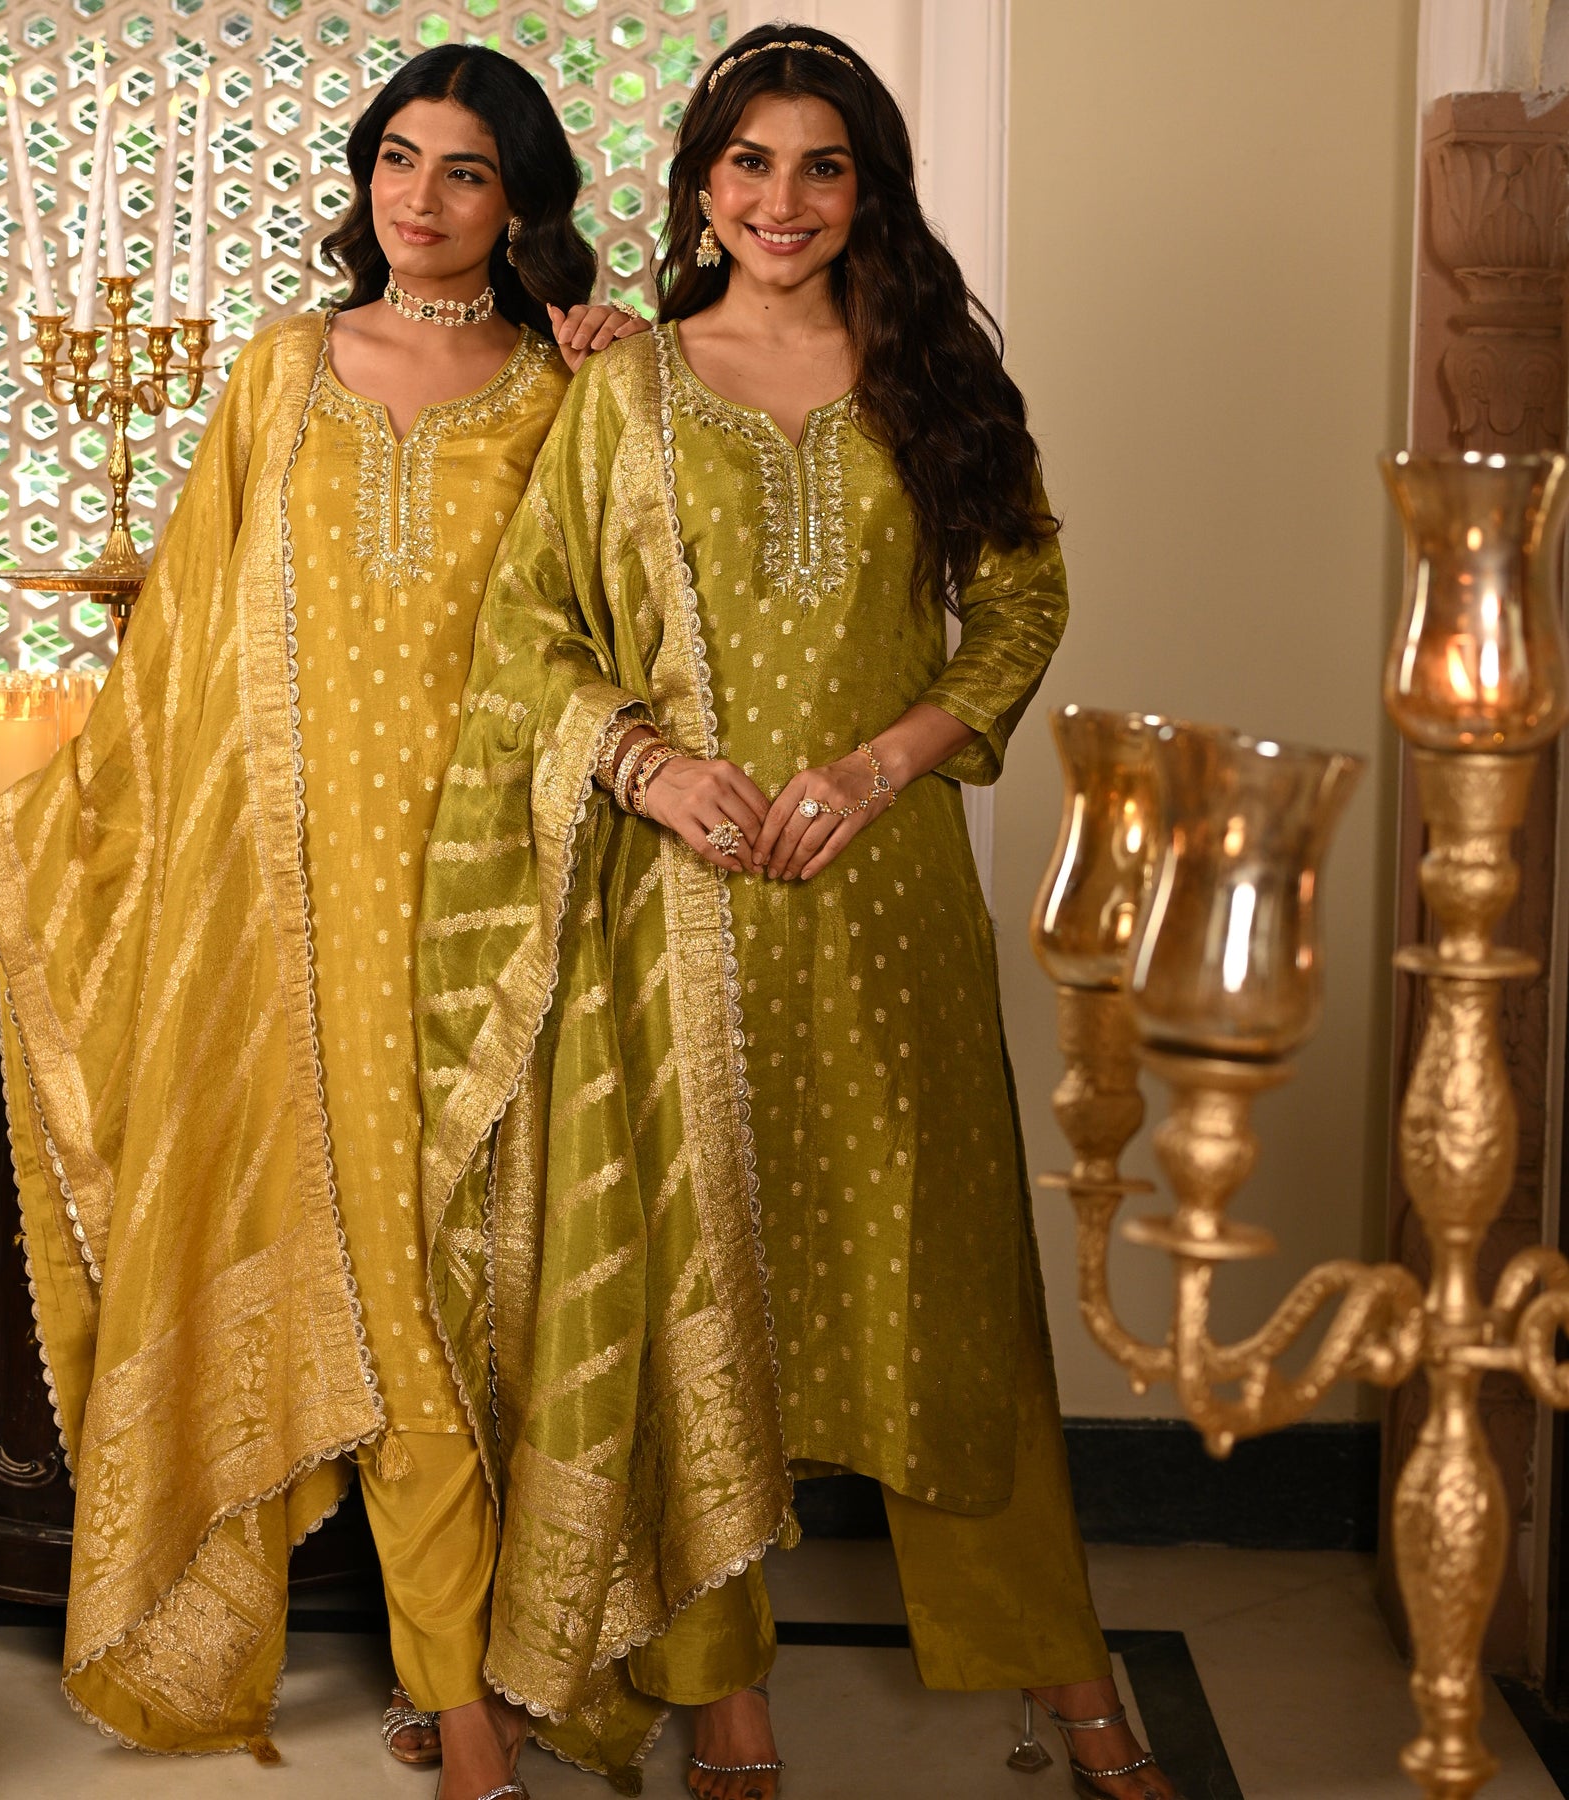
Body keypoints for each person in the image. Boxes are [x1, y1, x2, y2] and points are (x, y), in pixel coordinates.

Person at [416, 24, 1177, 1800]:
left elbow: (1021, 601)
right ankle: (723, 1691)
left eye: (822, 166)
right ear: (701, 186)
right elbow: (532, 634)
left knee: (947, 1293)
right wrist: (647, 770)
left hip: (884, 902)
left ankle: (1064, 1673)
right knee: (698, 1294)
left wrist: (890, 762)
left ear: (867, 192)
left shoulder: (932, 386)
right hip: (678, 913)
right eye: (750, 163)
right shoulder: (627, 391)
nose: (783, 199)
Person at [0, 44, 642, 1798]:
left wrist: (635, 373)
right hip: (292, 917)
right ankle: (462, 1709)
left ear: (521, 203)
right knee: (386, 1292)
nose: (420, 198)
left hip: (486, 902)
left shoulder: (569, 391)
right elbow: (183, 641)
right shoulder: (282, 369)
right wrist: (37, 807)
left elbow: (614, 627)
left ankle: (501, 1664)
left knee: (488, 1295)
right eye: (397, 159)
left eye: (464, 171)